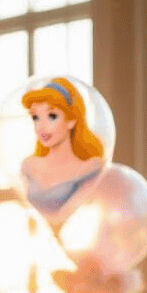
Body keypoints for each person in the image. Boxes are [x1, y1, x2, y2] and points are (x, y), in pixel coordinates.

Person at [20, 77, 105, 231]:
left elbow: (64, 218)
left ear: (71, 120)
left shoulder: (90, 168)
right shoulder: (29, 166)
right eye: (36, 117)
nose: (41, 127)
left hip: (76, 239)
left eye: (52, 116)